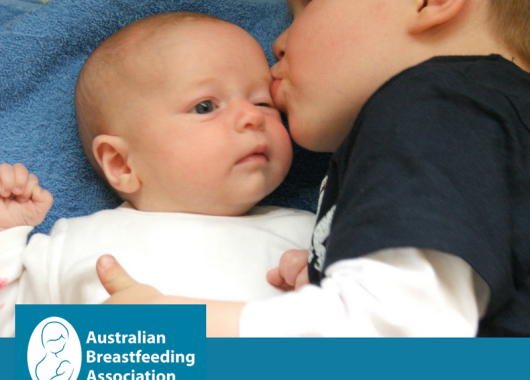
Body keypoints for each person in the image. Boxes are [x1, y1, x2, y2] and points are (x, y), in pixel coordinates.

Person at [96, 0, 530, 337]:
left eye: (308, 6)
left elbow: (395, 332)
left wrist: (176, 334)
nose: (278, 42)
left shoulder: (432, 104)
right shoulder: (479, 116)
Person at [0, 13, 316, 337]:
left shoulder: (315, 237)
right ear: (122, 163)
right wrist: (6, 237)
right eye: (205, 107)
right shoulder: (74, 244)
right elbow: (13, 340)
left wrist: (319, 288)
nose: (252, 116)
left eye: (264, 102)